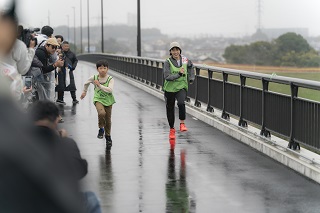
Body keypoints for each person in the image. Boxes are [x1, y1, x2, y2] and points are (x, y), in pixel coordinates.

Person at [29, 101, 102, 213]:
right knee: (91, 199)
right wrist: (64, 141)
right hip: (56, 202)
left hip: (26, 200)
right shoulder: (64, 144)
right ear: (56, 120)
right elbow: (80, 171)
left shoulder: (19, 142)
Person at [80, 59, 115, 150]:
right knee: (101, 113)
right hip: (98, 99)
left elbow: (110, 90)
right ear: (97, 69)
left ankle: (108, 137)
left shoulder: (110, 79)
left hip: (108, 100)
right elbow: (86, 83)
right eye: (100, 68)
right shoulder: (94, 77)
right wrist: (84, 92)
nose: (102, 70)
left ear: (107, 69)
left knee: (108, 120)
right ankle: (101, 128)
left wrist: (99, 85)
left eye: (104, 68)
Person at [163, 41, 195, 139]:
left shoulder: (185, 60)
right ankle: (172, 129)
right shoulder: (167, 62)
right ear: (170, 52)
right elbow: (167, 76)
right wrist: (179, 74)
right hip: (169, 88)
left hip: (181, 86)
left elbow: (191, 67)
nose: (175, 52)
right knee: (170, 109)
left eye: (177, 50)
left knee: (181, 102)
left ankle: (182, 123)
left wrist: (191, 78)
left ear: (180, 51)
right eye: (173, 50)